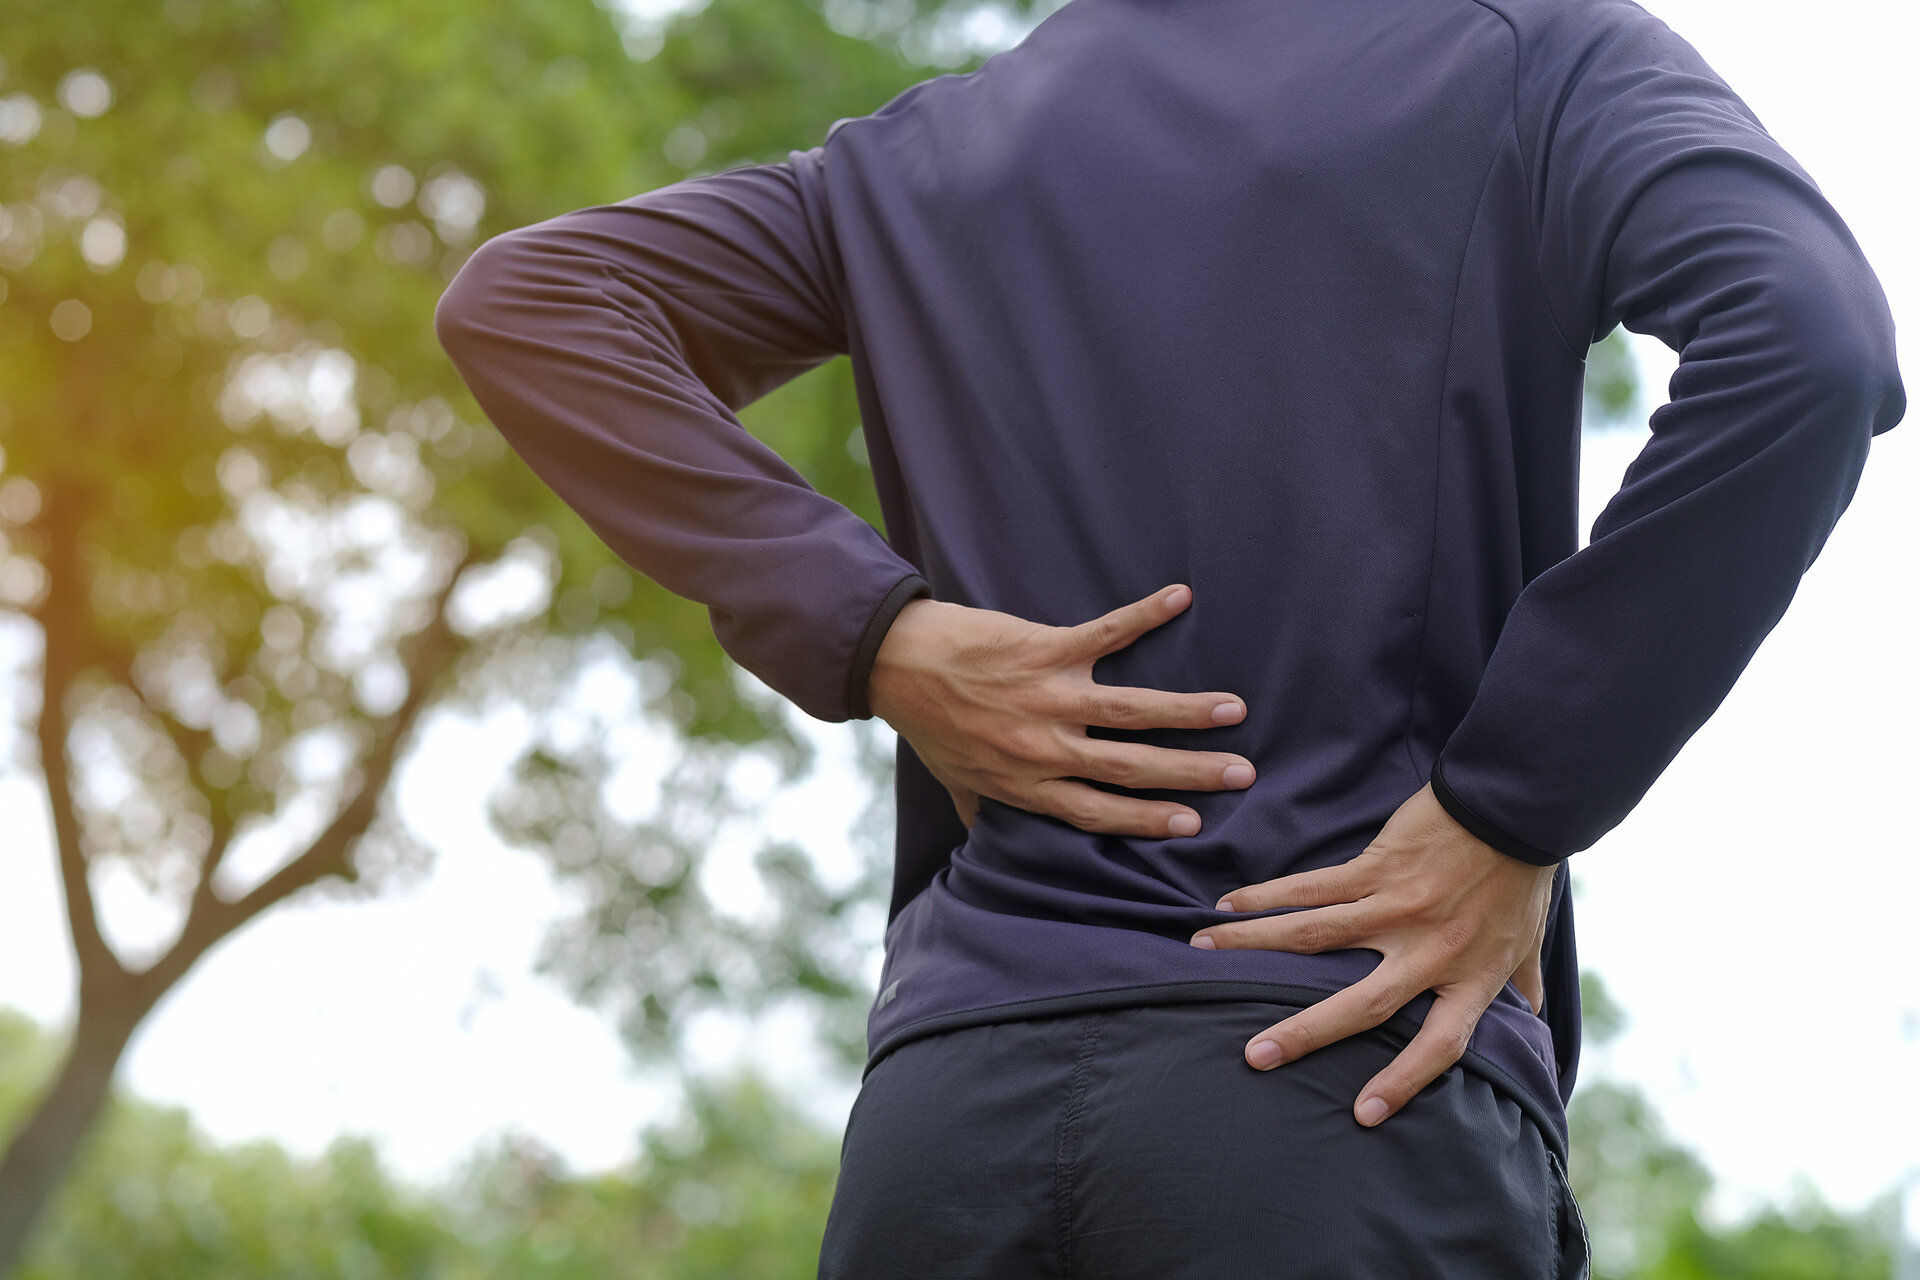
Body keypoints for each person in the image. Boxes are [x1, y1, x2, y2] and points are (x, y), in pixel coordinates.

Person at [432, 0, 1905, 1273]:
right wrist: (1512, 803)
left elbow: (532, 298)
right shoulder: (1532, 55)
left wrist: (876, 632)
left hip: (949, 1126)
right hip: (1344, 1080)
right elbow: (1807, 342)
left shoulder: (922, 157)